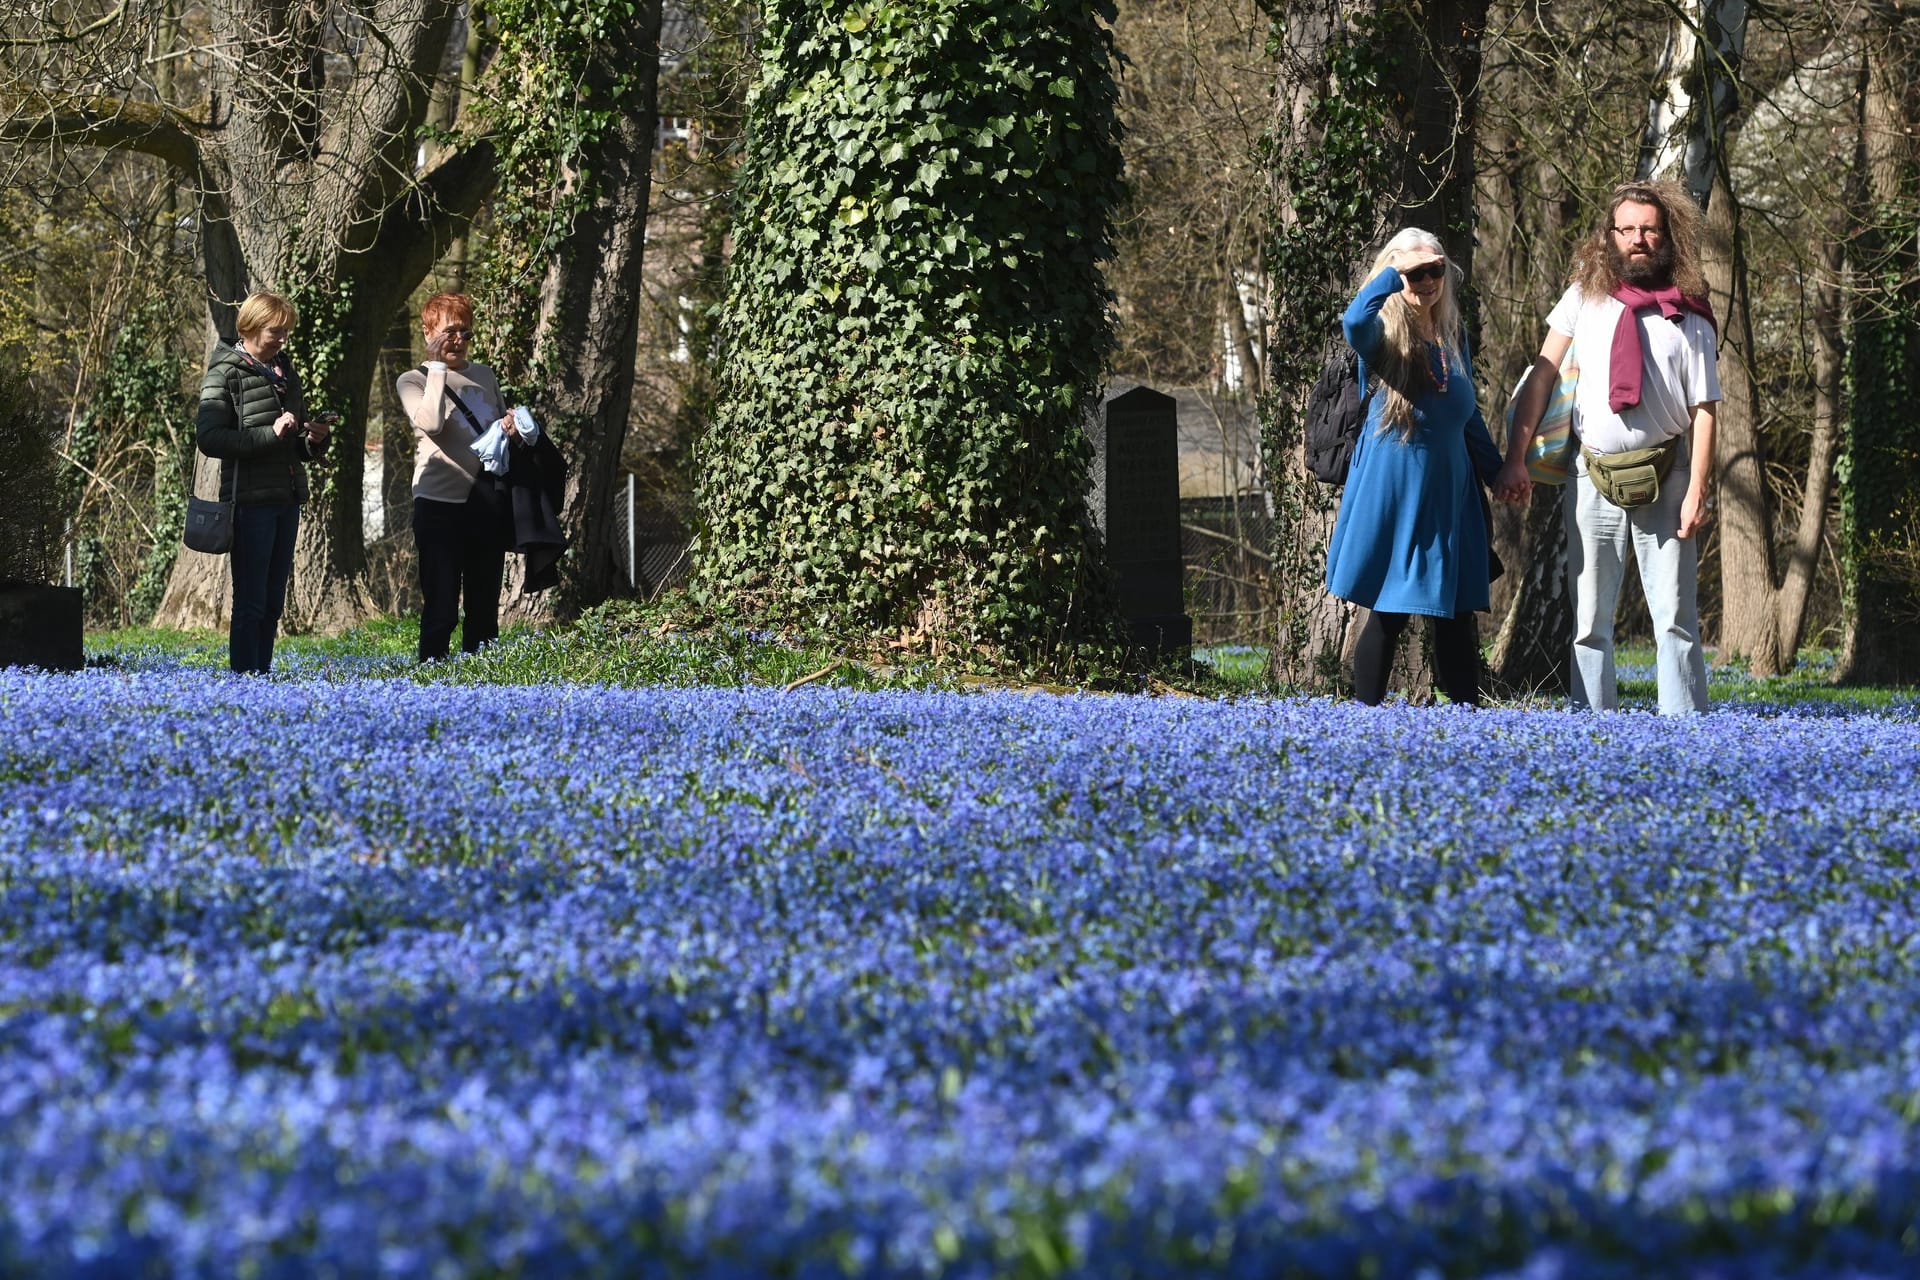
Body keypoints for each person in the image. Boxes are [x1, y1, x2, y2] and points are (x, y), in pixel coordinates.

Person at [1494, 179, 1720, 716]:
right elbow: (1542, 378)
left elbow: (1705, 410)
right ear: (1609, 235)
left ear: (1668, 236)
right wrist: (1514, 457)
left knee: (1674, 618)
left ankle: (1686, 731)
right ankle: (1594, 728)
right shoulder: (1582, 297)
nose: (1638, 239)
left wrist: (1698, 490)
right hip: (1591, 476)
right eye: (1628, 229)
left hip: (1668, 478)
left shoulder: (1689, 311)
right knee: (1589, 618)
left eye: (1649, 229)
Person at [1326, 227, 1503, 707]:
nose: (1427, 280)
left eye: (1435, 269)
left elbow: (1470, 418)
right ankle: (1368, 720)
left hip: (1450, 487)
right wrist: (1393, 274)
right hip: (1397, 486)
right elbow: (1352, 321)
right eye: (1416, 272)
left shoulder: (1451, 333)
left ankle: (1469, 717)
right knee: (1390, 609)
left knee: (1455, 609)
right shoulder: (1382, 334)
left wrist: (1497, 471)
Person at [195, 290, 332, 674]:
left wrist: (315, 438)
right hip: (250, 501)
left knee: (273, 601)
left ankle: (262, 677)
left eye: (287, 332)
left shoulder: (285, 371)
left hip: (287, 496)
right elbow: (209, 439)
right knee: (252, 599)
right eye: (277, 332)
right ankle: (244, 679)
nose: (284, 339)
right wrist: (269, 434)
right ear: (252, 327)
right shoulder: (225, 372)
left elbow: (296, 444)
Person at [394, 292, 524, 662]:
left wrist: (512, 427)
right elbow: (431, 423)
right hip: (438, 502)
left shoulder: (484, 375)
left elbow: (496, 428)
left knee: (484, 602)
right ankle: (432, 670)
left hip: (486, 500)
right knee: (442, 602)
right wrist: (437, 368)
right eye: (450, 331)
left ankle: (481, 674)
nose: (458, 341)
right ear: (428, 332)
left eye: (465, 332)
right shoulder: (412, 380)